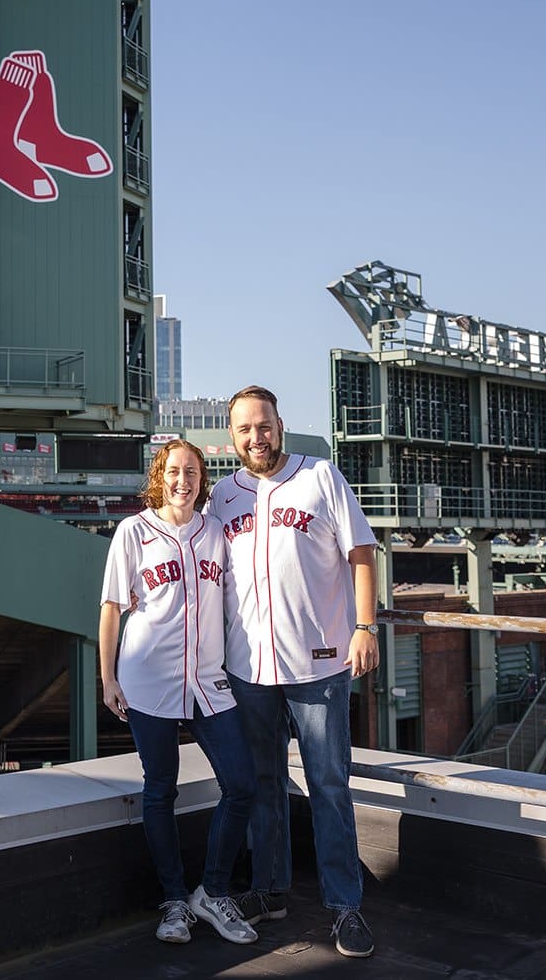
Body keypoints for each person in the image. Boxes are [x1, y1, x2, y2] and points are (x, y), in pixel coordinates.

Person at [205, 385, 380, 959]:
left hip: (319, 665)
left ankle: (344, 905)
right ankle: (269, 890)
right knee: (263, 786)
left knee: (330, 786)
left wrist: (365, 626)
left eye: (264, 425)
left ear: (280, 425)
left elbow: (360, 553)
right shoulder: (223, 497)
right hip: (249, 669)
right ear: (232, 438)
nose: (256, 437)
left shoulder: (321, 476)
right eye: (244, 429)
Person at [99, 438, 258, 947]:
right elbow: (110, 608)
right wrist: (107, 677)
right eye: (174, 471)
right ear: (159, 476)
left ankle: (210, 892)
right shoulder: (133, 531)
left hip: (209, 680)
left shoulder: (215, 532)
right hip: (148, 680)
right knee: (160, 789)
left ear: (201, 479)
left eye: (192, 472)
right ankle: (172, 900)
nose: (182, 481)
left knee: (242, 785)